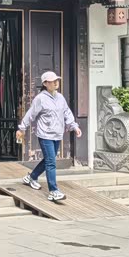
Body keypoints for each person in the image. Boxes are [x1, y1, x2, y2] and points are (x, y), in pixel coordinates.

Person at [16, 70, 81, 202]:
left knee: (48, 159)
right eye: (52, 81)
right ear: (45, 83)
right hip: (45, 134)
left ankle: (31, 177)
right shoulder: (40, 99)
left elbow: (67, 112)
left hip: (57, 134)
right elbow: (31, 114)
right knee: (51, 162)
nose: (56, 82)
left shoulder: (60, 97)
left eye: (56, 80)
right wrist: (22, 128)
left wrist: (74, 126)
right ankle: (53, 191)